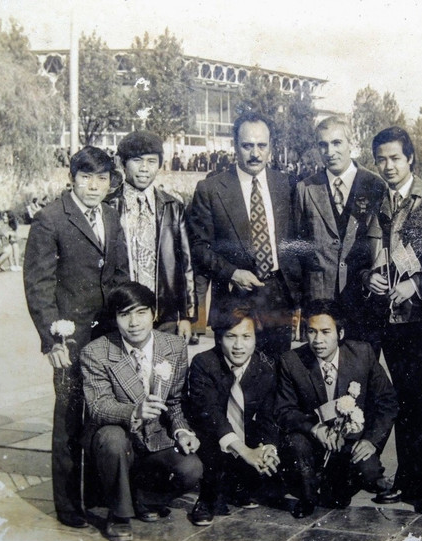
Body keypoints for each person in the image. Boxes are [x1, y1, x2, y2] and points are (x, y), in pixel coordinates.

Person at [24, 146, 129, 530]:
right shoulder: (51, 219)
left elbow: (119, 274)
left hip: (107, 334)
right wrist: (52, 340)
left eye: (102, 178)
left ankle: (99, 495)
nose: (94, 186)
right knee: (69, 416)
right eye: (86, 178)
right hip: (69, 339)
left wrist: (124, 325)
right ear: (72, 179)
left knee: (104, 411)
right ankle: (68, 504)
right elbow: (38, 286)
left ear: (110, 182)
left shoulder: (111, 216)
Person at [364, 126, 422, 514]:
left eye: (395, 158)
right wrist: (368, 278)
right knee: (403, 399)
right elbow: (366, 255)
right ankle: (408, 480)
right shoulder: (378, 203)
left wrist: (416, 284)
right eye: (381, 160)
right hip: (390, 320)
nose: (388, 166)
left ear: (410, 158)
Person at [80, 282, 202, 541]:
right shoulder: (96, 352)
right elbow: (99, 405)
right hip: (119, 439)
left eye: (141, 313)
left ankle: (145, 500)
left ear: (154, 314)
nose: (134, 323)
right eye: (124, 314)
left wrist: (182, 431)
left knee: (192, 468)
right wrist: (134, 411)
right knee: (112, 438)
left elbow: (175, 401)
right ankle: (119, 516)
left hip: (156, 438)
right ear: (115, 318)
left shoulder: (174, 346)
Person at [187, 111, 301, 361]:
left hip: (277, 296)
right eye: (247, 146)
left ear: (271, 147)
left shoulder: (287, 185)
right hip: (232, 296)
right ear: (235, 146)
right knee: (234, 373)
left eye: (262, 145)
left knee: (278, 370)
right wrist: (231, 272)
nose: (255, 153)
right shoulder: (211, 189)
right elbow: (199, 247)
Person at [275, 299, 398, 519]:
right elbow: (284, 410)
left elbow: (387, 401)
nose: (318, 340)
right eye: (311, 332)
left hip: (349, 442)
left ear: (340, 334)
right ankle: (307, 495)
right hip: (311, 442)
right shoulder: (291, 361)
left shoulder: (362, 354)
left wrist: (371, 440)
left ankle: (342, 482)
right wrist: (315, 428)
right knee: (296, 446)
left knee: (354, 484)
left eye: (325, 332)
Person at [294, 116, 387, 348]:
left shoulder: (375, 185)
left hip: (362, 300)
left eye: (336, 143)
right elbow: (298, 248)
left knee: (361, 365)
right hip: (320, 301)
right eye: (323, 145)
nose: (330, 152)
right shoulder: (305, 189)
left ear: (351, 143)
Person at [185, 304, 280, 526]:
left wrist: (269, 448)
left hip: (245, 435)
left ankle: (239, 487)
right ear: (219, 338)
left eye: (246, 337)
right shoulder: (204, 362)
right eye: (231, 337)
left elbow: (269, 415)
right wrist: (244, 451)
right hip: (213, 436)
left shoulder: (265, 366)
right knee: (210, 439)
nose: (239, 346)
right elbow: (210, 413)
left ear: (255, 338)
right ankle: (206, 499)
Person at [112, 130, 196, 341]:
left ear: (159, 164)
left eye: (151, 161)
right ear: (123, 163)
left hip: (164, 314)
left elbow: (186, 265)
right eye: (137, 160)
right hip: (121, 314)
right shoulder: (109, 206)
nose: (144, 168)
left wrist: (187, 315)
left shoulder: (172, 207)